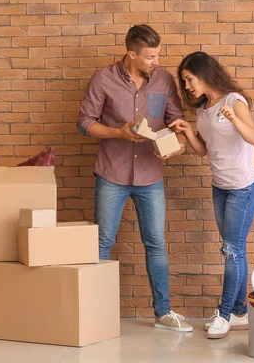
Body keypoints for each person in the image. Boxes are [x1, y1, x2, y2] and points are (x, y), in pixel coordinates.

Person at [77, 24, 193, 332]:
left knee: (155, 242)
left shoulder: (165, 80)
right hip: (112, 173)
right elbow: (85, 123)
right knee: (103, 241)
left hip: (150, 176)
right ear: (132, 54)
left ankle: (163, 313)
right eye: (150, 56)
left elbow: (174, 121)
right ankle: (94, 314)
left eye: (158, 55)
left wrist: (178, 146)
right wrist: (118, 132)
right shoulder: (103, 79)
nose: (157, 61)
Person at [169, 51, 254, 339]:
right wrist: (187, 130)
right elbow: (203, 150)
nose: (187, 87)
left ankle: (223, 314)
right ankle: (239, 312)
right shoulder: (204, 110)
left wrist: (234, 119)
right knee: (235, 249)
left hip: (243, 188)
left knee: (231, 251)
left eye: (189, 79)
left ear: (204, 74)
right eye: (184, 82)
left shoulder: (234, 101)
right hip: (220, 187)